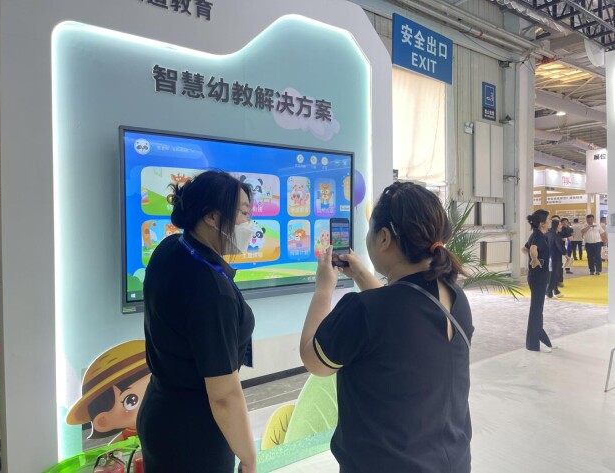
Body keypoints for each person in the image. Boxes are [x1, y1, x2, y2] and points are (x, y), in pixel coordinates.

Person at [300, 181, 473, 473]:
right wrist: (360, 274)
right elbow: (398, 316)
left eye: (370, 229)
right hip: (451, 463)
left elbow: (313, 360)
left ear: (383, 237)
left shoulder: (364, 310)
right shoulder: (456, 298)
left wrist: (323, 290)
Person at [137, 170, 257, 473]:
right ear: (212, 217)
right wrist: (248, 457)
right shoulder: (211, 292)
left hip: (159, 411)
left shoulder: (170, 248)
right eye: (243, 213)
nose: (249, 223)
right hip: (194, 434)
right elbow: (224, 396)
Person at [524, 209, 554, 353]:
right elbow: (532, 249)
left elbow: (524, 249)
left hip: (539, 276)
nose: (550, 221)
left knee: (538, 309)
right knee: (536, 310)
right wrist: (535, 259)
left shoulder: (538, 234)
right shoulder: (537, 236)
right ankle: (533, 344)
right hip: (538, 278)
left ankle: (540, 338)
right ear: (542, 223)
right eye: (548, 219)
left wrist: (536, 259)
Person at [545, 219, 565, 299]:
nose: (561, 226)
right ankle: (548, 292)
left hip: (550, 257)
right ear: (555, 226)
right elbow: (560, 247)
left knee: (553, 274)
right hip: (555, 258)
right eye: (560, 225)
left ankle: (556, 291)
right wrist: (565, 253)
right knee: (553, 275)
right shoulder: (555, 236)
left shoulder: (549, 234)